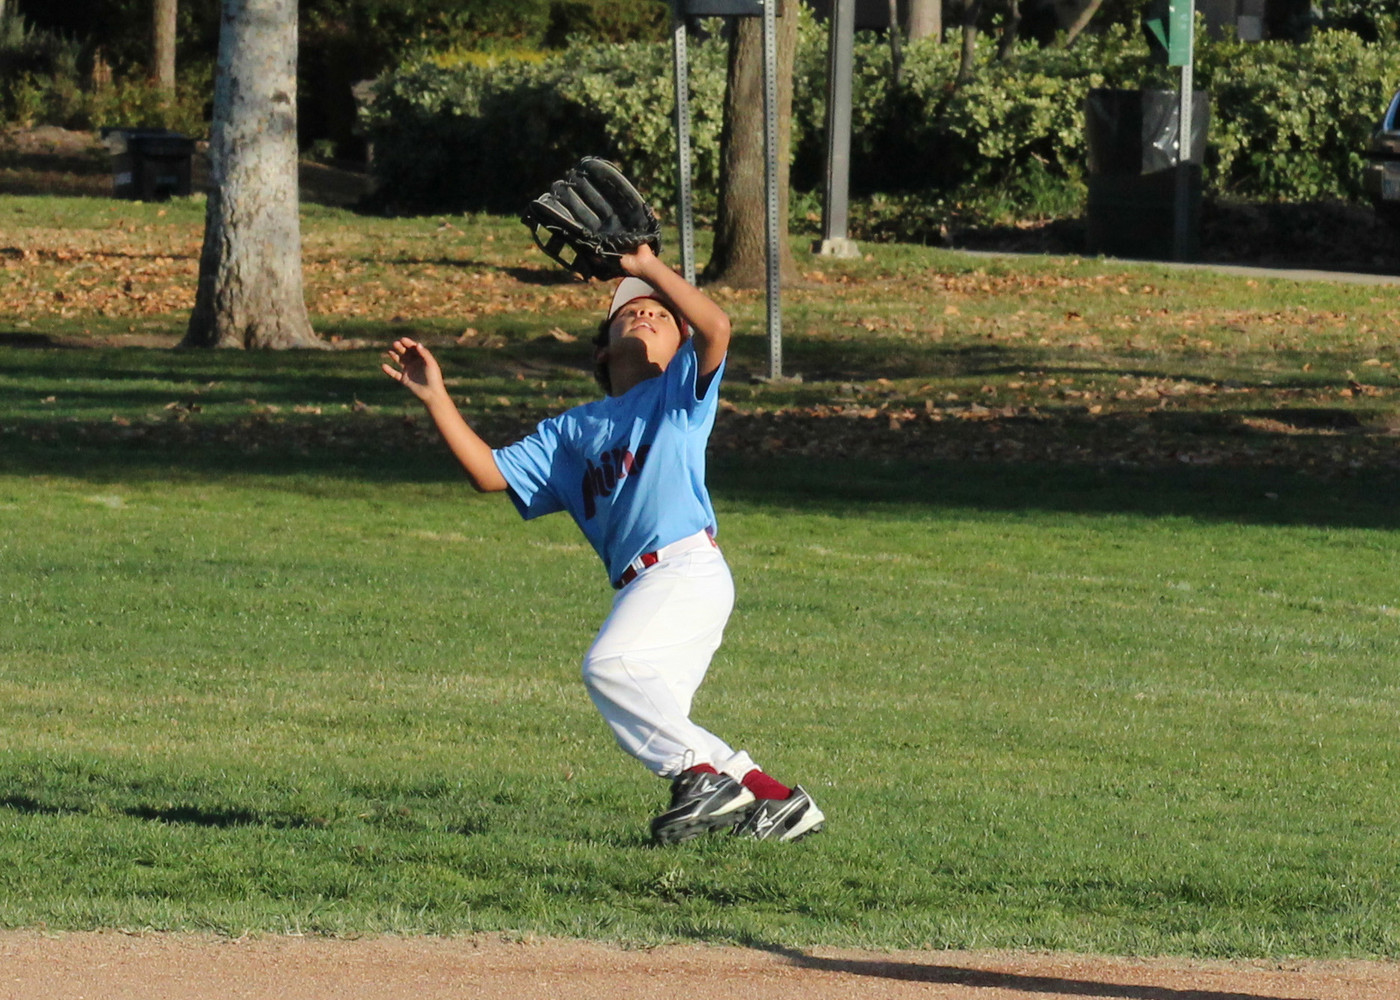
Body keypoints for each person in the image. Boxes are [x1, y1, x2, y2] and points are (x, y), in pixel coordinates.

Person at [382, 243, 824, 844]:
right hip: (647, 584)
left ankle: (701, 780)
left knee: (610, 667)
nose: (645, 314)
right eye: (630, 313)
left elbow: (717, 326)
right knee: (658, 708)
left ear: (680, 346)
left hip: (686, 566)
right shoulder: (569, 432)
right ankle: (775, 800)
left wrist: (645, 266)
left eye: (662, 315)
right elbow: (488, 472)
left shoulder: (678, 395)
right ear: (602, 350)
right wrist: (436, 397)